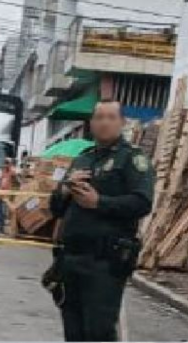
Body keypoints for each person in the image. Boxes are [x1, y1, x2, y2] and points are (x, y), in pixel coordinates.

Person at [49, 100, 154, 342]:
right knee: (73, 330)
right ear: (91, 123)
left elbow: (142, 203)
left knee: (98, 331)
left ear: (122, 123)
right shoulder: (82, 159)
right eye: (99, 117)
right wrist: (65, 189)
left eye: (111, 117)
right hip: (71, 259)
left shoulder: (132, 160)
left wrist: (99, 202)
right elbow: (55, 208)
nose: (104, 122)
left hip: (105, 262)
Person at [0, 158, 16, 233]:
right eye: (5, 163)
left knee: (4, 212)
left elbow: (16, 179)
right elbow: (0, 182)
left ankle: (3, 228)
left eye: (7, 163)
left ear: (10, 164)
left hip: (7, 195)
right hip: (1, 194)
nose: (5, 165)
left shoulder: (12, 172)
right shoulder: (3, 172)